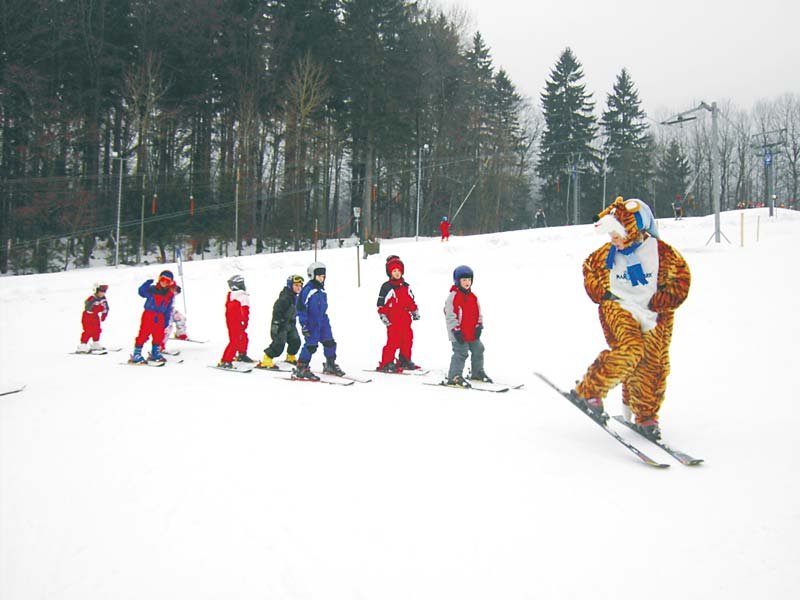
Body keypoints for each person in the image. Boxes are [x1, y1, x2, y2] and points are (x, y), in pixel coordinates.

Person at [569, 196, 691, 440]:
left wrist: (659, 303)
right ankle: (590, 390)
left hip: (651, 313)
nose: (613, 240)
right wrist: (601, 293)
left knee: (653, 364)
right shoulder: (607, 253)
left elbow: (681, 281)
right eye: (610, 235)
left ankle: (645, 414)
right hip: (619, 307)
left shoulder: (661, 253)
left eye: (617, 235)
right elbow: (589, 268)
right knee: (630, 349)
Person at [443, 265, 491, 387]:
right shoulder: (453, 296)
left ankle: (477, 372)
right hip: (458, 333)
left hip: (471, 331)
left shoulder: (473, 297)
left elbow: (478, 312)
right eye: (464, 280)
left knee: (478, 348)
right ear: (457, 281)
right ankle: (454, 376)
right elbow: (450, 315)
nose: (467, 282)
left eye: (469, 280)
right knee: (461, 352)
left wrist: (479, 325)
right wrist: (456, 330)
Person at [294, 262, 344, 380]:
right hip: (311, 322)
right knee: (311, 345)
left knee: (329, 342)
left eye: (323, 276)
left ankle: (330, 364)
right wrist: (304, 324)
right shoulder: (308, 290)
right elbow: (301, 308)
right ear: (312, 275)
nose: (321, 278)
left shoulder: (321, 290)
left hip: (323, 321)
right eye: (319, 276)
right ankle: (302, 367)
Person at [376, 255, 420, 372]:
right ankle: (387, 362)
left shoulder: (406, 286)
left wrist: (414, 310)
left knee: (407, 339)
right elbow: (381, 303)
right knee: (393, 341)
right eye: (394, 271)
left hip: (405, 319)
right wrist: (383, 315)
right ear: (390, 272)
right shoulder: (387, 287)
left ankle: (404, 359)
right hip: (393, 320)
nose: (397, 273)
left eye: (399, 271)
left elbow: (410, 301)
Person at [130, 270, 179, 364]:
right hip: (149, 314)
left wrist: (166, 320)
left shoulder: (169, 295)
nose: (164, 282)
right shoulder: (152, 289)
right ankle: (137, 353)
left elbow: (168, 309)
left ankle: (155, 352)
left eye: (167, 281)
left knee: (158, 335)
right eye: (162, 279)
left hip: (160, 316)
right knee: (144, 333)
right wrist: (147, 282)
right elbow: (141, 292)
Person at [259, 274, 304, 369]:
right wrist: (276, 324)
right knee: (279, 344)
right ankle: (267, 359)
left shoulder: (296, 297)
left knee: (295, 341)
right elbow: (277, 310)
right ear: (290, 285)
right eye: (296, 285)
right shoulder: (285, 298)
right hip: (281, 324)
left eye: (300, 286)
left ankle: (290, 356)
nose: (298, 288)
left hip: (291, 324)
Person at [218, 275, 252, 368]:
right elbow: (244, 312)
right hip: (236, 323)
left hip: (234, 322)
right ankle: (226, 360)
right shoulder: (241, 297)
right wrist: (243, 322)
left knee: (243, 337)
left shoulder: (234, 296)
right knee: (234, 341)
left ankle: (242, 354)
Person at [77, 282, 109, 353]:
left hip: (95, 317)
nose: (103, 293)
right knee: (88, 331)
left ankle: (95, 343)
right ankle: (83, 345)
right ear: (96, 290)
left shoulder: (103, 299)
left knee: (97, 330)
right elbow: (88, 308)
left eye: (104, 291)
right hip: (87, 316)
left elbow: (106, 307)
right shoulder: (92, 298)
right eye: (101, 291)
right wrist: (99, 308)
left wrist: (104, 315)